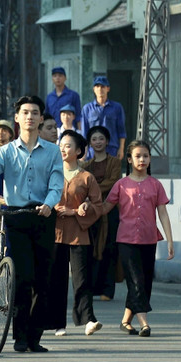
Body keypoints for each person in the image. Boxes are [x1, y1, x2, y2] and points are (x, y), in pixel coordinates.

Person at [0, 95, 64, 353]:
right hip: (15, 218)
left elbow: (56, 183)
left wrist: (49, 204)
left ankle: (35, 337)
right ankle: (19, 336)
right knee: (23, 277)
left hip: (42, 216)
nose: (30, 117)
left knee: (43, 281)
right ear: (17, 118)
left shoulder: (53, 151)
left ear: (41, 119)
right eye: (25, 113)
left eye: (34, 113)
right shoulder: (6, 151)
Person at [103, 140, 174, 337]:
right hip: (126, 241)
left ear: (150, 159)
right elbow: (105, 208)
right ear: (129, 159)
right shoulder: (121, 185)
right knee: (135, 281)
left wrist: (169, 240)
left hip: (149, 240)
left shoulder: (156, 185)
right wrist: (85, 207)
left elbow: (163, 214)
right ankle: (145, 323)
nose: (142, 159)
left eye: (145, 156)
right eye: (137, 156)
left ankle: (126, 321)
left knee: (145, 283)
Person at [46, 131, 103, 337]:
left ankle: (88, 319)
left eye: (68, 145)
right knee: (56, 279)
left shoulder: (87, 177)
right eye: (61, 145)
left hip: (79, 232)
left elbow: (98, 205)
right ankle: (57, 323)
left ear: (79, 151)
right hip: (55, 232)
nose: (63, 148)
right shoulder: (51, 173)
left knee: (81, 279)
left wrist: (84, 207)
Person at [82, 126, 122, 301]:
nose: (98, 142)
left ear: (107, 141)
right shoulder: (85, 166)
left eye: (101, 138)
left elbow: (114, 182)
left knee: (109, 248)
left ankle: (107, 289)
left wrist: (94, 191)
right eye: (94, 139)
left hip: (110, 209)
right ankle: (91, 288)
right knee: (90, 249)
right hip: (91, 211)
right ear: (90, 143)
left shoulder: (115, 162)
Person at [82, 76, 126, 158]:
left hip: (111, 149)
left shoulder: (117, 108)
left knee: (111, 171)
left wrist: (121, 148)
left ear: (108, 89)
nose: (100, 89)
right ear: (94, 89)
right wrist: (84, 152)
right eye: (97, 86)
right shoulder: (87, 109)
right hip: (93, 151)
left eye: (103, 86)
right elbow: (85, 133)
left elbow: (121, 131)